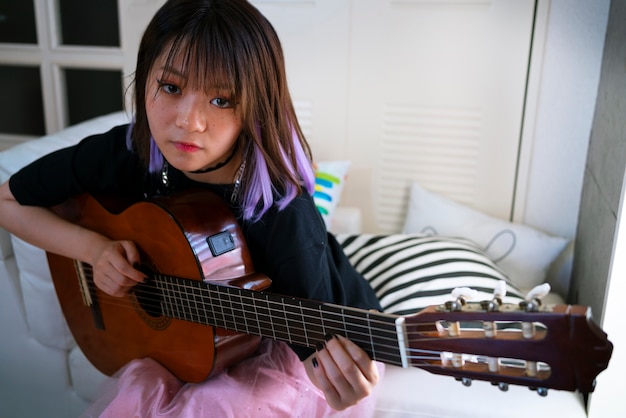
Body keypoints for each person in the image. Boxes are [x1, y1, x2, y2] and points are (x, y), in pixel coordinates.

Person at [0, 0, 384, 416]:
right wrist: (93, 249)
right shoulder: (128, 149)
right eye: (171, 87)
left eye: (221, 100)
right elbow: (7, 201)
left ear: (254, 106)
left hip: (280, 337)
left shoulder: (285, 213)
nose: (188, 121)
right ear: (145, 76)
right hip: (193, 341)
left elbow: (321, 355)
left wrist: (342, 383)